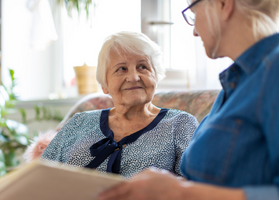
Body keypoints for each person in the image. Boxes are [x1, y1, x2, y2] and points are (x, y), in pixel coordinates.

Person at [98, 0, 279, 199]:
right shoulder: (234, 86)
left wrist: (182, 193)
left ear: (223, 4)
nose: (194, 31)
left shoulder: (273, 71)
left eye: (193, 13)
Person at [41, 31, 199, 178]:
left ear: (155, 77)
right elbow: (40, 176)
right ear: (104, 84)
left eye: (143, 67)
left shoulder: (179, 124)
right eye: (121, 69)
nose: (134, 77)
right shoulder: (79, 123)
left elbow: (196, 187)